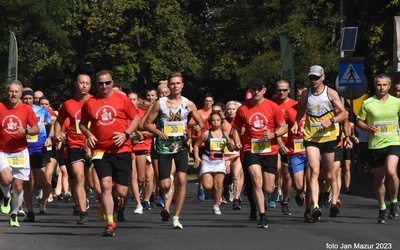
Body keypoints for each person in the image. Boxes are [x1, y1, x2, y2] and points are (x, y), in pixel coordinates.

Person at [80, 70, 140, 236]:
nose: (104, 86)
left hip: (122, 149)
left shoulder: (122, 98)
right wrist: (89, 134)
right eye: (100, 83)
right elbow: (83, 124)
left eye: (107, 83)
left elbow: (136, 118)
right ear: (96, 85)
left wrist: (126, 134)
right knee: (105, 185)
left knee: (121, 191)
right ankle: (110, 223)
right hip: (100, 151)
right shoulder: (90, 103)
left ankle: (113, 204)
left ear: (112, 83)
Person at [144, 72, 204, 229]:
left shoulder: (188, 104)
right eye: (172, 83)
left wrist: (195, 126)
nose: (175, 86)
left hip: (181, 146)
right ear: (168, 86)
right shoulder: (160, 103)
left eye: (178, 83)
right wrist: (158, 132)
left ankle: (176, 217)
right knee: (164, 185)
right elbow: (147, 123)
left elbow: (201, 122)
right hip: (164, 147)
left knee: (182, 180)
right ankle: (167, 187)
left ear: (182, 85)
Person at [292, 65, 348, 222]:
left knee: (329, 174)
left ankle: (328, 191)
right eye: (311, 77)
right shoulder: (305, 94)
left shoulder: (330, 93)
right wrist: (297, 122)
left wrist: (330, 120)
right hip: (311, 137)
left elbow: (344, 113)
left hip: (329, 137)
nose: (314, 80)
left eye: (316, 77)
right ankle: (315, 206)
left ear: (323, 77)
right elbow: (301, 109)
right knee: (314, 171)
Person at [230, 77, 287, 228]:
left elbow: (284, 127)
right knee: (256, 179)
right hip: (251, 149)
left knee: (268, 187)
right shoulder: (243, 109)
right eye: (253, 89)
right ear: (250, 90)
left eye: (259, 89)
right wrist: (237, 141)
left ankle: (261, 200)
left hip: (270, 150)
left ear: (264, 90)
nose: (256, 91)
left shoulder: (273, 106)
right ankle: (262, 215)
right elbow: (235, 128)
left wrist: (274, 134)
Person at [356, 74, 400, 224]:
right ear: (375, 86)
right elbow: (359, 122)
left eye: (384, 85)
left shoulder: (397, 102)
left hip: (393, 142)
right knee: (379, 179)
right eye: (379, 85)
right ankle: (382, 207)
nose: (381, 88)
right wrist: (368, 128)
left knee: (391, 170)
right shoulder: (368, 103)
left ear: (389, 86)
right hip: (375, 145)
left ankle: (394, 202)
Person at [54, 74, 92, 225]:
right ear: (76, 84)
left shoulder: (95, 101)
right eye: (81, 83)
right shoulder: (68, 104)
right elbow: (59, 120)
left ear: (90, 86)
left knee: (95, 184)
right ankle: (83, 212)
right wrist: (57, 134)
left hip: (95, 145)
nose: (84, 85)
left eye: (87, 83)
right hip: (75, 144)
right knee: (78, 177)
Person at [0, 80, 39, 227]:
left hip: (20, 152)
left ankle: (14, 214)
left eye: (16, 92)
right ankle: (6, 196)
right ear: (6, 93)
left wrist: (26, 131)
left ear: (21, 94)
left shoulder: (26, 109)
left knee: (18, 186)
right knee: (5, 180)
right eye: (11, 91)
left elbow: (36, 129)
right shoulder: (0, 107)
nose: (13, 94)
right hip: (2, 150)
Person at [21, 89, 54, 222]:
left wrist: (50, 137)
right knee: (27, 181)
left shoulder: (41, 110)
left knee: (40, 182)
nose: (28, 101)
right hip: (23, 148)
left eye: (30, 98)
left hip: (39, 149)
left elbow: (53, 123)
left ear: (33, 99)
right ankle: (29, 210)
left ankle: (34, 195)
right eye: (25, 99)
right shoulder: (19, 110)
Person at [193, 111, 233, 215]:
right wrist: (197, 157)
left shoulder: (225, 134)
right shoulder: (206, 133)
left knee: (218, 185)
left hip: (220, 160)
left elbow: (230, 148)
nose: (215, 122)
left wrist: (232, 144)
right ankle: (211, 194)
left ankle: (216, 205)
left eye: (217, 120)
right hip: (208, 160)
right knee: (208, 186)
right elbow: (196, 145)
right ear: (210, 122)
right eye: (213, 120)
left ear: (221, 122)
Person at [272, 80, 297, 215]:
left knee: (287, 174)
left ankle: (285, 200)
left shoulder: (295, 105)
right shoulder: (271, 104)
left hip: (291, 144)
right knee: (277, 169)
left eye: (284, 90)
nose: (281, 93)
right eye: (278, 90)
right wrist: (279, 143)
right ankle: (275, 188)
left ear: (288, 91)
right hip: (274, 143)